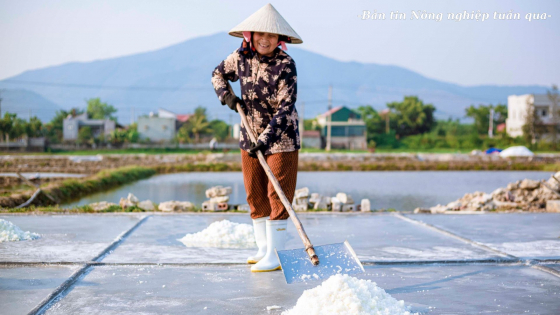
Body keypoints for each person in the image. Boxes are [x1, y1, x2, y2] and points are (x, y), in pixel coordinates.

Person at [211, 3, 303, 272]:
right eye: (260, 34)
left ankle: (276, 255)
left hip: (280, 139)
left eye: (272, 36)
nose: (265, 40)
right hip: (249, 136)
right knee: (254, 193)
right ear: (250, 34)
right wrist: (227, 96)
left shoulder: (286, 64)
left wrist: (266, 138)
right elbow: (218, 74)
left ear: (280, 39)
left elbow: (287, 106)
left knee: (278, 194)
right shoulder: (239, 58)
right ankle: (263, 249)